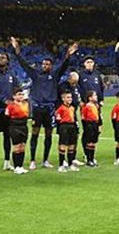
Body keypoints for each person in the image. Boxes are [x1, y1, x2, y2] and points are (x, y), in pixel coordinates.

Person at [11, 37, 77, 170]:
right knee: (34, 133)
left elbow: (64, 66)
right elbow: (24, 64)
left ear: (51, 65)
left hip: (50, 109)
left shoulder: (55, 75)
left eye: (48, 64)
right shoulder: (35, 74)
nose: (45, 66)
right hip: (37, 108)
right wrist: (17, 51)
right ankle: (33, 160)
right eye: (44, 64)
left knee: (48, 134)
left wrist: (68, 55)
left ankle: (45, 160)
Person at [7, 89, 31, 174]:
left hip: (24, 126)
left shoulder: (26, 104)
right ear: (14, 96)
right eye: (19, 94)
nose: (21, 96)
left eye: (22, 94)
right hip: (15, 126)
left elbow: (28, 115)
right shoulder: (11, 105)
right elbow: (7, 116)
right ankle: (16, 166)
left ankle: (21, 166)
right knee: (17, 147)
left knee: (22, 146)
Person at [54, 90, 79, 172]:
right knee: (63, 145)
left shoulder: (72, 108)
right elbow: (57, 119)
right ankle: (61, 165)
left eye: (71, 97)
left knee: (72, 145)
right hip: (64, 127)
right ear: (63, 99)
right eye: (68, 97)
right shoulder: (60, 109)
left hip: (72, 126)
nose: (70, 99)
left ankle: (71, 164)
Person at [81, 90, 102, 167]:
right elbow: (83, 117)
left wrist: (99, 125)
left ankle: (92, 159)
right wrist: (86, 127)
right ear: (90, 98)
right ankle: (89, 159)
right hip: (89, 124)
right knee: (89, 142)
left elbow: (99, 116)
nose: (96, 97)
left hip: (95, 124)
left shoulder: (96, 106)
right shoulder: (87, 106)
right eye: (94, 95)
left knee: (93, 142)